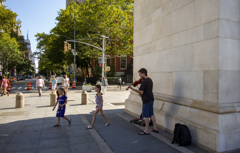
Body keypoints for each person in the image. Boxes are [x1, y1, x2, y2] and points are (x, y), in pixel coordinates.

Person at [128, 68, 158, 135]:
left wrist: (132, 88)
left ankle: (146, 130)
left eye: (140, 73)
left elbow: (141, 91)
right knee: (152, 114)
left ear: (143, 73)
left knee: (146, 115)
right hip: (151, 99)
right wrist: (141, 93)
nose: (139, 75)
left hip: (146, 100)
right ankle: (155, 128)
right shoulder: (150, 80)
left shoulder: (144, 81)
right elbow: (147, 91)